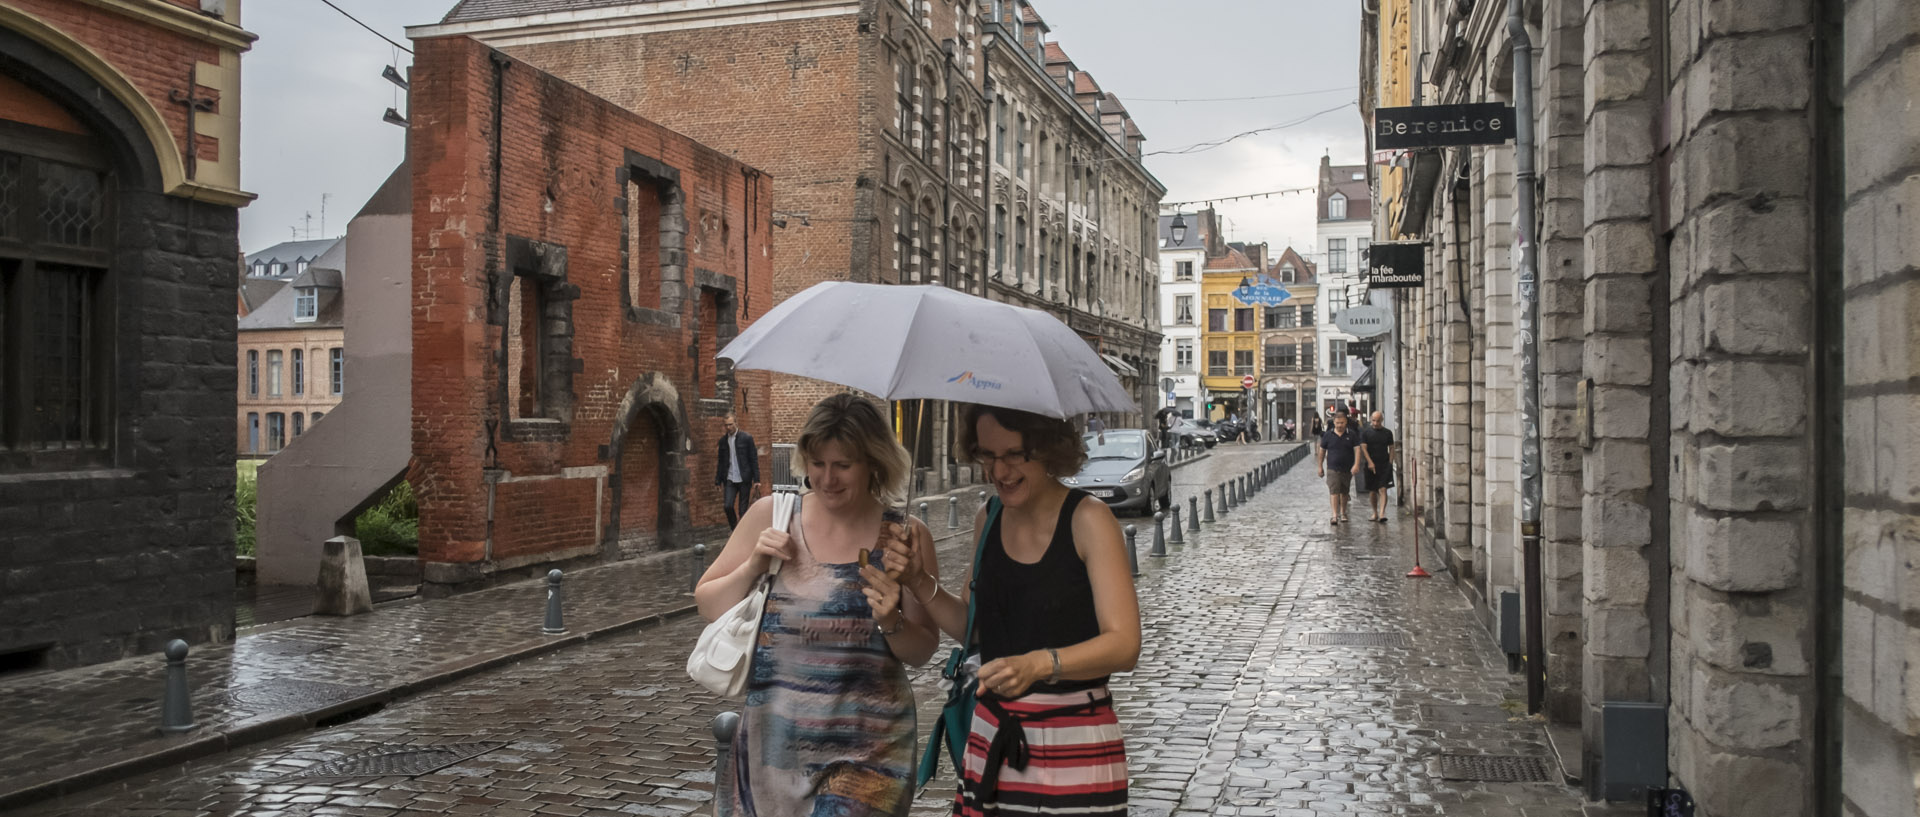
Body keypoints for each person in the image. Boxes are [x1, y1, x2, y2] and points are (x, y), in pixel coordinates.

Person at [696, 394, 940, 817]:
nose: (827, 478)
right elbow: (707, 603)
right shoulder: (772, 515)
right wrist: (754, 563)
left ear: (873, 463)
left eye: (843, 465)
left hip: (870, 754)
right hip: (772, 750)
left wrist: (892, 621)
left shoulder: (904, 537)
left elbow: (924, 651)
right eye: (817, 463)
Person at [891, 404, 1140, 817]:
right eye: (987, 455)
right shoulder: (987, 519)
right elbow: (974, 631)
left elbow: (1124, 645)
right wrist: (918, 581)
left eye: (1014, 454)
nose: (999, 471)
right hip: (993, 740)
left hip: (1073, 745)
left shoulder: (1089, 519)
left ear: (1049, 449)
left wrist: (1040, 664)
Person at [714, 413, 760, 530]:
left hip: (744, 477)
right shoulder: (723, 441)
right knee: (728, 506)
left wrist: (757, 479)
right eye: (726, 425)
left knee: (742, 510)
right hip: (729, 478)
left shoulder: (747, 438)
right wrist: (718, 481)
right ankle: (735, 529)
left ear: (736, 423)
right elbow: (721, 462)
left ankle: (743, 533)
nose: (728, 427)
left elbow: (753, 459)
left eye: (730, 424)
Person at [1316, 411, 1362, 524]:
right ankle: (1334, 515)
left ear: (1346, 422)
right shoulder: (1328, 435)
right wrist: (1320, 466)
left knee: (1344, 491)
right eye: (1337, 423)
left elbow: (1357, 450)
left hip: (1347, 468)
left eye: (1341, 423)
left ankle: (1343, 512)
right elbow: (1322, 451)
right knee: (1334, 491)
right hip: (1332, 467)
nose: (1339, 425)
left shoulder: (1351, 435)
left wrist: (1356, 464)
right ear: (1334, 422)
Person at [1360, 411, 1397, 522]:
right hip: (1371, 464)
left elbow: (1391, 448)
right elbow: (1364, 448)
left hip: (1384, 464)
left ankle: (1382, 513)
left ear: (1382, 420)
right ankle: (1375, 512)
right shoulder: (1366, 433)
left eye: (1378, 421)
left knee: (1383, 488)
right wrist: (1370, 462)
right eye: (1373, 420)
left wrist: (1390, 462)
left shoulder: (1387, 433)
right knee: (1372, 490)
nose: (1375, 423)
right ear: (1371, 420)